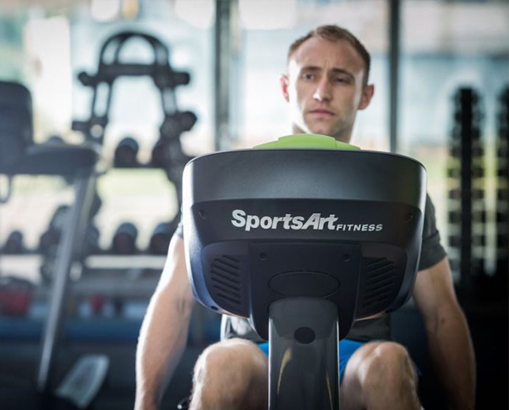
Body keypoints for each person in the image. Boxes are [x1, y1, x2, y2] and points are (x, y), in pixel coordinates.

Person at [135, 25, 476, 410]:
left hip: (356, 359)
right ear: (286, 87)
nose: (322, 92)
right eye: (309, 75)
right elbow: (175, 299)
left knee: (390, 363)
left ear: (365, 95)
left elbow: (442, 314)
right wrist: (144, 405)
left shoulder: (394, 190)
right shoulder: (228, 184)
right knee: (220, 364)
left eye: (341, 79)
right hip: (254, 355)